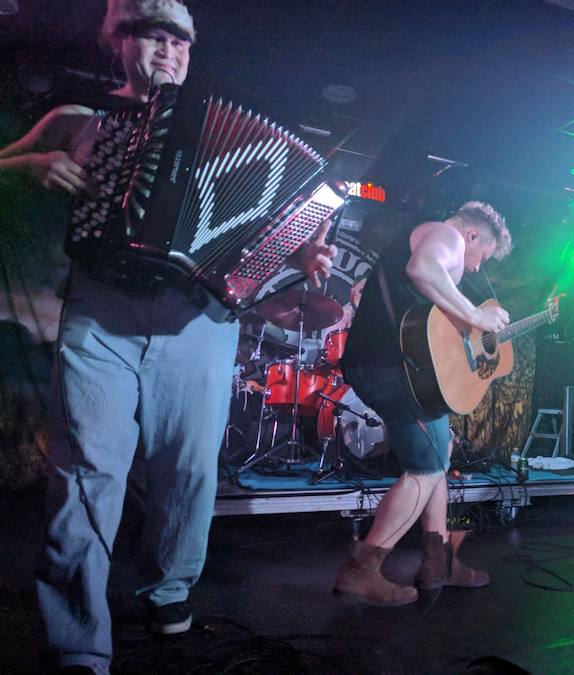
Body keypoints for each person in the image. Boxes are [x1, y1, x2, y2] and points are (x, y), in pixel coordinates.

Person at [0, 2, 335, 672]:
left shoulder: (232, 135)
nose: (169, 53)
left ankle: (169, 587)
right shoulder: (79, 121)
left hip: (199, 320)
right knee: (87, 475)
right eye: (154, 37)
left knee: (188, 471)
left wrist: (297, 257)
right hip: (102, 312)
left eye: (181, 42)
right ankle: (77, 643)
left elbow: (259, 242)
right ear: (116, 44)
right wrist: (33, 162)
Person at [334, 201, 512, 606]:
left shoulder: (426, 237)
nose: (477, 268)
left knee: (440, 451)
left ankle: (438, 564)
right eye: (481, 256)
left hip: (392, 369)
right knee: (427, 467)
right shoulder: (446, 235)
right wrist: (474, 314)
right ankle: (363, 570)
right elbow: (423, 268)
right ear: (471, 236)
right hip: (389, 368)